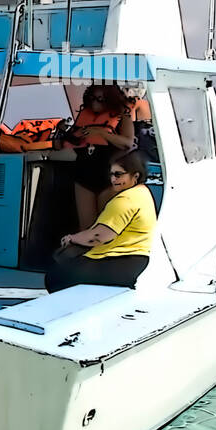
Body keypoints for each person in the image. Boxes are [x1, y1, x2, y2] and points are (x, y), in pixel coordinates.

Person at [46, 150, 155, 293]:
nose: (113, 179)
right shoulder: (143, 192)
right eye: (112, 174)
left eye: (119, 174)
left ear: (135, 176)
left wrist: (72, 238)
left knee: (56, 276)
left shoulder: (124, 200)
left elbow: (98, 237)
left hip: (120, 260)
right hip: (137, 260)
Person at [63, 84, 135, 229]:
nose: (95, 102)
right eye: (92, 98)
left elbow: (128, 143)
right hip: (84, 173)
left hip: (109, 175)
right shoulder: (85, 115)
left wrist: (101, 133)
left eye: (100, 99)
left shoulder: (122, 116)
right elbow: (70, 141)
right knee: (87, 226)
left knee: (105, 225)